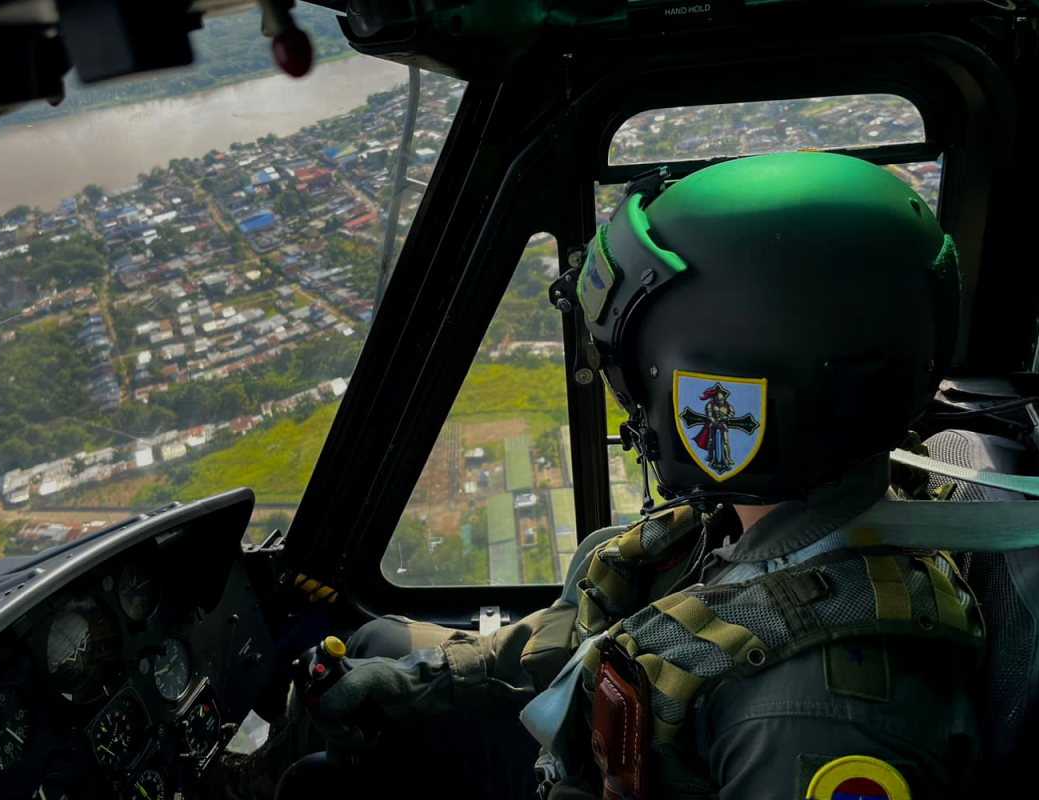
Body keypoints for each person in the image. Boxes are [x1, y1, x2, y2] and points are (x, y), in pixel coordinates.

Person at [228, 152, 980, 800]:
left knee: (328, 784)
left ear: (734, 391)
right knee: (382, 642)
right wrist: (420, 680)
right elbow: (593, 637)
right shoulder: (766, 522)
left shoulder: (809, 717)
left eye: (641, 373)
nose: (634, 403)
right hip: (593, 755)